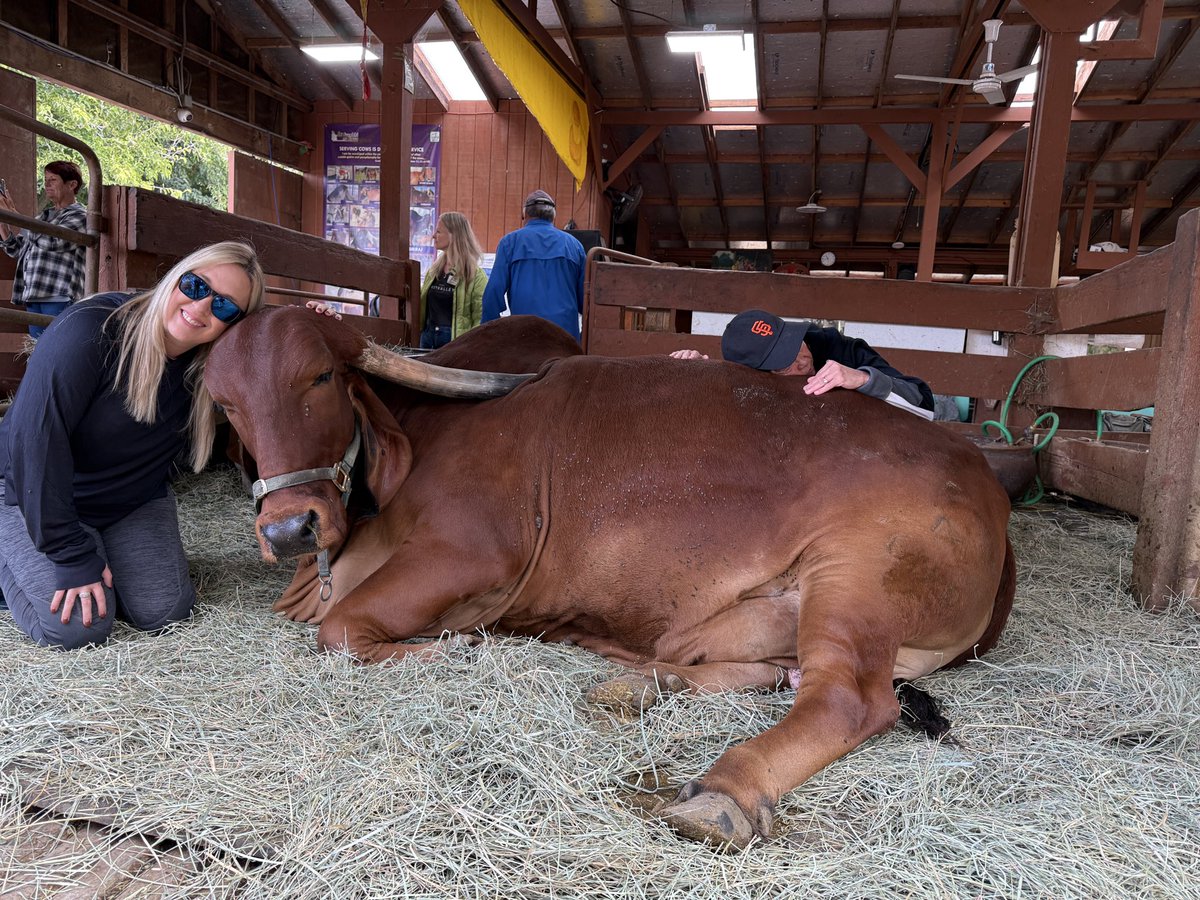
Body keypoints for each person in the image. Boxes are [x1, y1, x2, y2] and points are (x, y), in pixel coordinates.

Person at [0, 241, 265, 649]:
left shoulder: (211, 361)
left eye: (225, 306)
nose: (201, 308)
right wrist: (70, 553)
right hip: (28, 490)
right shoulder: (91, 330)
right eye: (196, 286)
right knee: (79, 630)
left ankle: (96, 554)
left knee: (165, 611)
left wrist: (313, 323)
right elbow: (35, 444)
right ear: (176, 276)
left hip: (128, 501)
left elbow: (278, 355)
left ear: (236, 323)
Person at [671, 309, 935, 417]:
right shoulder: (749, 380)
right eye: (785, 364)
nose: (803, 361)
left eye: (796, 345)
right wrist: (700, 375)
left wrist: (864, 379)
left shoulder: (839, 348)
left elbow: (925, 405)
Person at [0, 160, 89, 337]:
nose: (46, 184)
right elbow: (18, 250)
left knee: (58, 347)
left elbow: (53, 242)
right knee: (37, 350)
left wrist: (15, 216)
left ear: (72, 185)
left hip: (59, 294)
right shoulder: (44, 217)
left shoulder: (80, 216)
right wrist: (3, 224)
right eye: (45, 178)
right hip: (34, 293)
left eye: (53, 179)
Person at [481, 189, 586, 340]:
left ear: (525, 215)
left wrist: (489, 335)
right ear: (553, 216)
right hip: (565, 339)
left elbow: (493, 293)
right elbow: (586, 302)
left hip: (524, 338)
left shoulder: (510, 243)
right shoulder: (575, 246)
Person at [418, 211, 488, 349]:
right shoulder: (433, 271)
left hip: (454, 344)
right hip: (427, 339)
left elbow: (479, 319)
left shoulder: (476, 276)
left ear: (454, 235)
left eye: (438, 232)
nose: (433, 236)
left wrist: (469, 347)